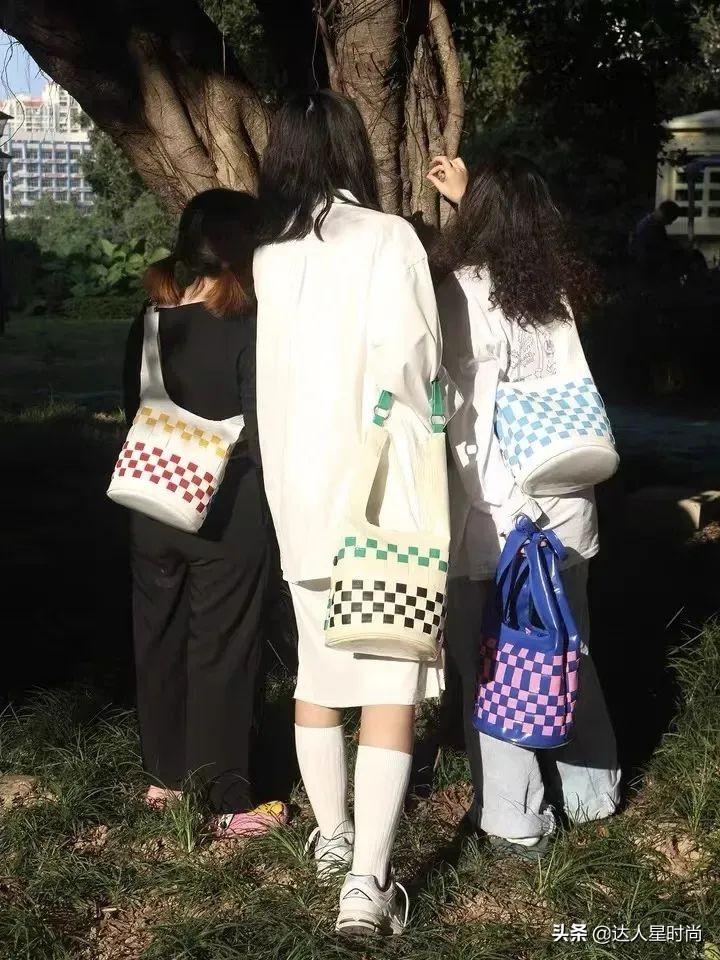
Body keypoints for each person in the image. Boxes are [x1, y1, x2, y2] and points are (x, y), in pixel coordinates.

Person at [254, 91, 447, 937]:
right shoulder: (388, 238)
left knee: (317, 674)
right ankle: (366, 883)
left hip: (297, 502)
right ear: (350, 150)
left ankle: (332, 838)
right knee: (388, 684)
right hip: (380, 499)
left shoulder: (271, 257)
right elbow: (416, 363)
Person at [427, 153, 621, 856]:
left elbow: (469, 418)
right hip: (569, 508)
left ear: (476, 220)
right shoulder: (551, 290)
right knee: (570, 648)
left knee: (496, 662)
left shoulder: (462, 290)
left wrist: (506, 519)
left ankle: (516, 818)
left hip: (501, 519)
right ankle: (593, 795)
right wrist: (473, 198)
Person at [123, 188, 287, 838]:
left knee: (158, 637)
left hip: (152, 496)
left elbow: (132, 406)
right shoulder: (248, 324)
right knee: (223, 648)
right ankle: (225, 801)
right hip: (229, 507)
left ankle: (164, 779)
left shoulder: (150, 319)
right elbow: (263, 426)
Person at [630, 200, 681, 278]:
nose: (670, 223)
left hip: (647, 267)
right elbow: (660, 247)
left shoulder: (650, 222)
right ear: (664, 215)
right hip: (649, 270)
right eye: (670, 220)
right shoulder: (651, 227)